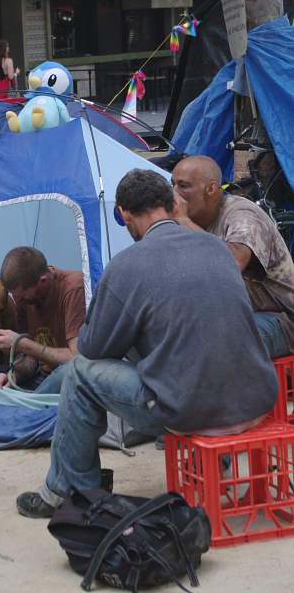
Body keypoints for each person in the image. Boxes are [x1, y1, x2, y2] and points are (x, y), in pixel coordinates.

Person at [16, 169, 278, 518]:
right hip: (256, 400)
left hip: (190, 412)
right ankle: (222, 464)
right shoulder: (218, 250)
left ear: (124, 215)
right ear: (172, 205)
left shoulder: (127, 266)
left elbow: (92, 349)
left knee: (79, 373)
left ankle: (64, 491)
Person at [172, 155, 294, 358]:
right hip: (230, 313)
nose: (174, 194)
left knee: (218, 339)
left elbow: (232, 263)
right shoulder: (190, 221)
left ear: (211, 189)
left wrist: (183, 221)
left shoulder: (241, 214)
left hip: (281, 319)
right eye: (173, 185)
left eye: (183, 186)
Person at [0, 247, 86, 394]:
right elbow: (30, 358)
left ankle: (29, 403)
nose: (18, 301)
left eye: (22, 296)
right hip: (40, 376)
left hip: (65, 378)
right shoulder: (23, 300)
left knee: (70, 370)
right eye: (15, 296)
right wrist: (13, 376)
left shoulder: (73, 288)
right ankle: (24, 400)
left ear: (43, 281)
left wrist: (23, 344)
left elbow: (77, 359)